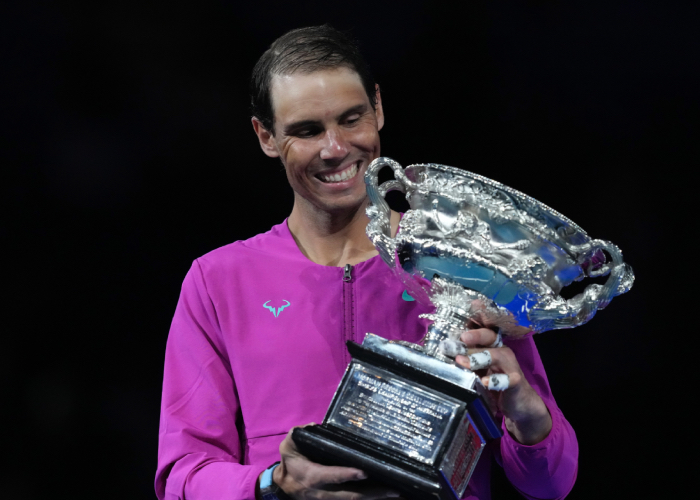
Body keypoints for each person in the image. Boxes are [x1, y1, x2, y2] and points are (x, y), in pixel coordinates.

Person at [156, 25, 578, 500]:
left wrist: (528, 416)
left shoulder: (463, 264)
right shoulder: (218, 281)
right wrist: (272, 485)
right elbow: (182, 477)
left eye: (351, 119)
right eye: (307, 130)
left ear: (377, 107)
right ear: (266, 136)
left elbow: (550, 483)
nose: (336, 148)